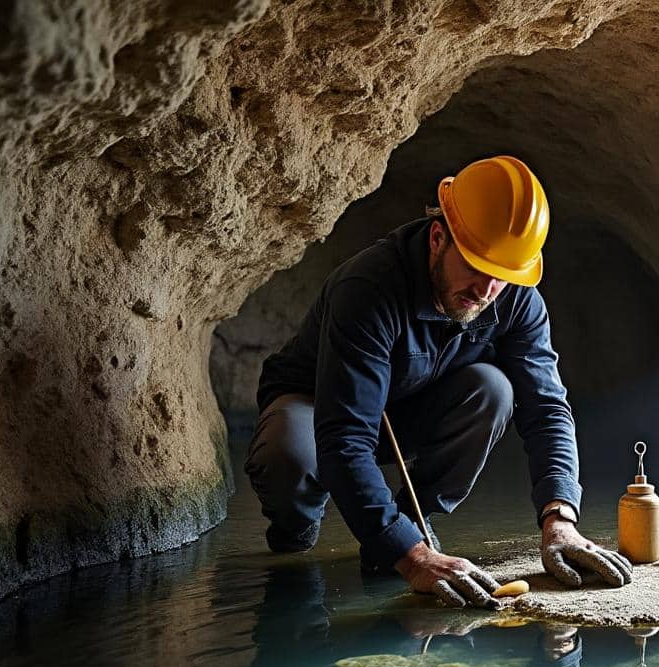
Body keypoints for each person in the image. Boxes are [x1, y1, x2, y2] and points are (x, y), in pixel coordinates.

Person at [243, 155, 632, 607]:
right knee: (287, 451)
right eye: (475, 268)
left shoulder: (515, 298)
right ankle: (299, 525)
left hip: (414, 406)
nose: (486, 291)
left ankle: (412, 521)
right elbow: (344, 437)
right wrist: (410, 559)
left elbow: (547, 408)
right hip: (319, 406)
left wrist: (559, 518)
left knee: (494, 389)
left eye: (502, 278)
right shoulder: (367, 288)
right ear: (437, 237)